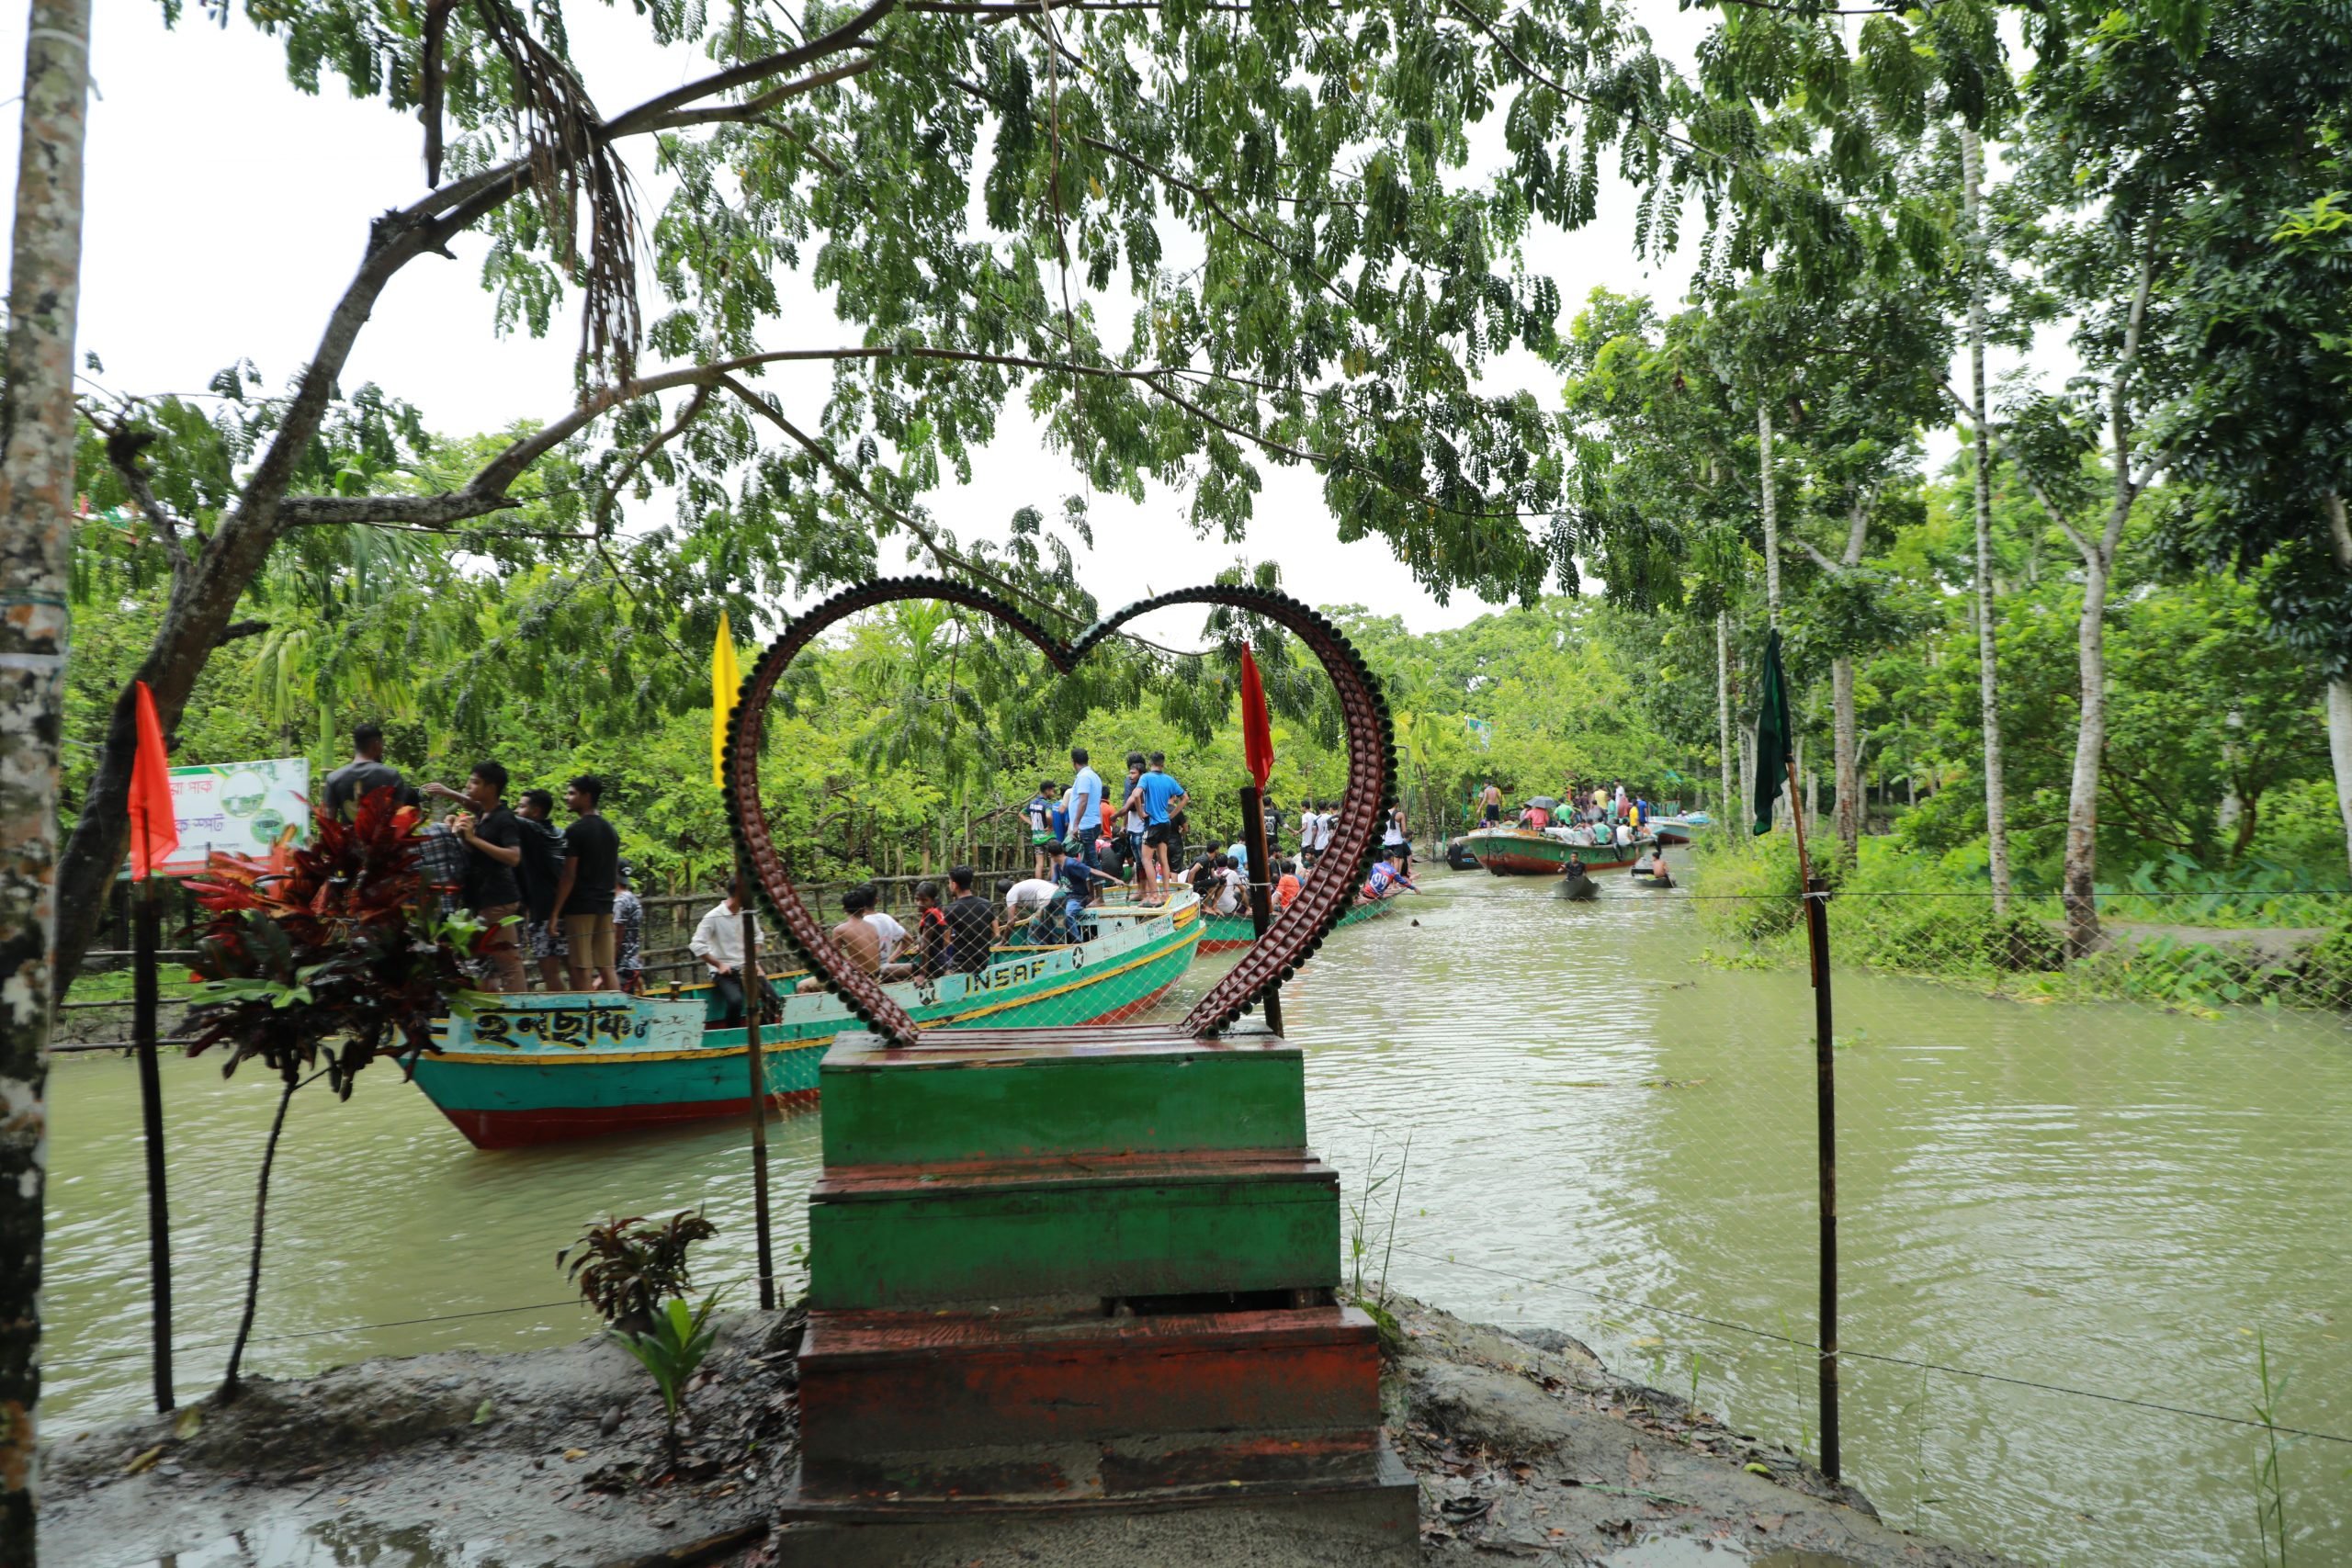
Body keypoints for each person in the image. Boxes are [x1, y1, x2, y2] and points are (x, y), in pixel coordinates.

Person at [438, 761, 526, 992]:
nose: (468, 786)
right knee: (481, 960)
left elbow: (514, 857)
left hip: (497, 899)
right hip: (482, 898)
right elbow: (469, 803)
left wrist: (474, 839)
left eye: (475, 782)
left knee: (509, 963)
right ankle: (487, 1012)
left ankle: (521, 1016)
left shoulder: (503, 818)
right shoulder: (484, 814)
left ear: (491, 788)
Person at [549, 773, 623, 991]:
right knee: (606, 965)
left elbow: (569, 875)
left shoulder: (575, 831)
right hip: (605, 905)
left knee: (581, 966)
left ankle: (586, 1016)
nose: (567, 798)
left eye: (572, 793)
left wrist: (555, 912)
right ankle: (618, 1011)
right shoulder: (611, 831)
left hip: (581, 907)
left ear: (586, 796)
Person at [512, 788, 570, 989]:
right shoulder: (558, 833)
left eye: (521, 806)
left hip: (545, 913)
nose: (517, 811)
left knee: (549, 972)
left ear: (535, 811)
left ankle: (565, 1014)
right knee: (573, 968)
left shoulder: (532, 831)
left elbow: (496, 813)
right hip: (565, 910)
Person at [690, 879, 762, 1027]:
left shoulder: (747, 914)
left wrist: (752, 960)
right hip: (725, 972)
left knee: (772, 998)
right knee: (735, 1001)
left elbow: (758, 936)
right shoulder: (713, 916)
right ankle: (732, 1037)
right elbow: (696, 944)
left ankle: (767, 1033)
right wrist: (719, 964)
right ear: (738, 894)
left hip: (748, 968)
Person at [1124, 751, 1189, 904]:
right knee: (1163, 860)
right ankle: (1165, 894)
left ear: (1150, 763)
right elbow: (1185, 798)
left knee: (1146, 859)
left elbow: (1136, 794)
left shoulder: (1146, 777)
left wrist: (1140, 812)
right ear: (1163, 764)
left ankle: (1154, 896)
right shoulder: (1169, 779)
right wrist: (1172, 815)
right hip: (1165, 824)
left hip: (1152, 824)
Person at [322, 722, 414, 821]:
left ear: (355, 746)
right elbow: (399, 817)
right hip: (382, 836)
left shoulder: (334, 778)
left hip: (348, 836)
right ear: (376, 745)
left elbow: (328, 821)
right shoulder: (391, 776)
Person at [1049, 844, 1115, 942]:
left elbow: (1092, 871)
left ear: (1051, 855)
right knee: (1048, 911)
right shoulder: (1057, 867)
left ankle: (1078, 942)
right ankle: (1057, 941)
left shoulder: (1071, 864)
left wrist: (1114, 879)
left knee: (1068, 914)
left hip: (1078, 898)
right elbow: (1053, 884)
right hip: (1065, 898)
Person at [943, 865, 998, 975]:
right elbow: (996, 934)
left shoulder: (950, 909)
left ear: (954, 885)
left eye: (949, 883)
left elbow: (946, 941)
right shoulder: (987, 904)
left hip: (960, 964)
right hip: (983, 962)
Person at [1066, 747, 1106, 867]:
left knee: (1092, 861)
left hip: (1086, 825)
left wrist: (1076, 824)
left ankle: (1099, 886)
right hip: (1092, 823)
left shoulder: (1084, 777)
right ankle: (1089, 886)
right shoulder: (1094, 776)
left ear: (1074, 761)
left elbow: (1083, 800)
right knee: (1086, 863)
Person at [613, 864, 645, 994]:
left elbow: (617, 939)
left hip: (623, 967)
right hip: (632, 961)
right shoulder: (632, 898)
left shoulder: (619, 902)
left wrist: (606, 971)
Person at [912, 879, 954, 978]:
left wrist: (922, 974)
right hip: (938, 963)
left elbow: (925, 944)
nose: (919, 903)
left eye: (924, 900)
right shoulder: (935, 914)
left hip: (932, 966)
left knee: (885, 970)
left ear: (933, 901)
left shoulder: (930, 915)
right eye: (917, 899)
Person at [1003, 873, 1060, 942]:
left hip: (1048, 898)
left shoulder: (1011, 892)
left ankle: (1034, 947)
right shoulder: (1022, 885)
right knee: (1057, 924)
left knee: (1034, 924)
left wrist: (1004, 940)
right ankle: (1059, 942)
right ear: (1012, 882)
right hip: (1059, 893)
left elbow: (1011, 921)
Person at [1023, 778, 1058, 879]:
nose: (1053, 793)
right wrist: (1050, 826)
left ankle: (1038, 886)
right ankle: (1052, 885)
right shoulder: (1047, 804)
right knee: (1053, 861)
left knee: (1039, 864)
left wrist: (1031, 823)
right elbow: (1048, 816)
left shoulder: (1032, 803)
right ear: (1047, 790)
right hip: (1048, 838)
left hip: (1036, 839)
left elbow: (1021, 814)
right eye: (1052, 790)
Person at [1382, 806, 1410, 874]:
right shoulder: (1400, 814)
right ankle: (1395, 883)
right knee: (1396, 861)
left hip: (1387, 841)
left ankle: (1387, 880)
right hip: (1397, 841)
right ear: (1397, 804)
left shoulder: (1384, 813)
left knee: (1387, 861)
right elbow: (1404, 831)